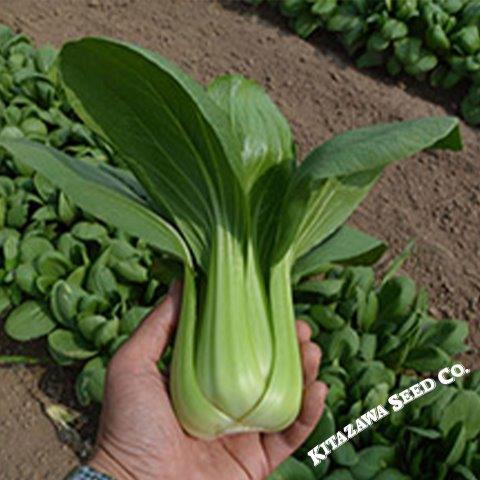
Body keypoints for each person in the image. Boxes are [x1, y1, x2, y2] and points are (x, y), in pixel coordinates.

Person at [68, 282, 327, 480]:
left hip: (199, 425)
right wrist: (124, 469)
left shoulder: (196, 417)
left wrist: (123, 470)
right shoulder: (279, 410)